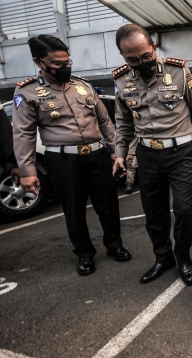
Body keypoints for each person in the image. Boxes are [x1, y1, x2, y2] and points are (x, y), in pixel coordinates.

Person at [12, 34, 130, 276]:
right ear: (39, 62)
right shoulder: (28, 92)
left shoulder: (83, 86)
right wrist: (28, 171)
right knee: (74, 210)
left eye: (67, 62)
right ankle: (85, 254)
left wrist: (117, 152)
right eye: (57, 63)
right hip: (64, 161)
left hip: (97, 156)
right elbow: (23, 134)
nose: (65, 67)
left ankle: (114, 245)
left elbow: (106, 122)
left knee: (108, 205)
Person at [111, 24, 192, 285]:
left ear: (154, 47)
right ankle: (163, 257)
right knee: (154, 212)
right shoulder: (122, 80)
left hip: (180, 152)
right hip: (147, 154)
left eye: (145, 56)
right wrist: (119, 154)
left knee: (184, 209)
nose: (140, 63)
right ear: (124, 57)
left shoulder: (178, 71)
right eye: (132, 60)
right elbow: (123, 123)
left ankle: (183, 257)